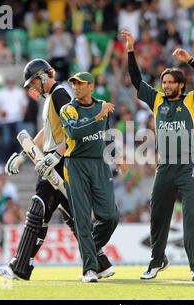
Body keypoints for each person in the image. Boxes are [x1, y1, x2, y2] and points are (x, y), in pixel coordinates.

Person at [0, 59, 114, 281]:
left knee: (38, 210)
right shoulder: (52, 98)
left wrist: (56, 155)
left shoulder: (59, 94)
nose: (33, 88)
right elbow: (47, 132)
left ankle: (19, 267)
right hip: (54, 160)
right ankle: (100, 263)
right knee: (73, 215)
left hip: (59, 162)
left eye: (34, 83)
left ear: (44, 76)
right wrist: (23, 155)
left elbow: (71, 131)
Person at [121, 29, 194, 281]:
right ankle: (157, 261)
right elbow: (135, 80)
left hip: (188, 166)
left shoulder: (192, 101)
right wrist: (131, 50)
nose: (166, 86)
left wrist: (191, 61)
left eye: (171, 83)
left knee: (191, 217)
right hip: (164, 167)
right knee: (157, 216)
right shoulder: (157, 100)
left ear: (181, 85)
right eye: (164, 82)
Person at [60, 71, 120, 283]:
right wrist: (98, 116)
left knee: (111, 216)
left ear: (91, 86)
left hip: (99, 164)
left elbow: (105, 133)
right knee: (83, 218)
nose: (76, 88)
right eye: (74, 84)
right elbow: (75, 133)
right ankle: (90, 270)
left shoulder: (101, 106)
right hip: (76, 164)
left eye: (80, 84)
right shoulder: (68, 109)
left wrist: (115, 155)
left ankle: (89, 251)